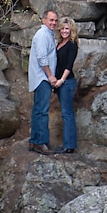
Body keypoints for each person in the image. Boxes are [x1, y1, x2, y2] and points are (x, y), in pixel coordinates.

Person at [28, 9, 58, 155]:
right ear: (44, 20)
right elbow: (42, 58)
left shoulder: (48, 35)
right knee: (42, 111)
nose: (53, 23)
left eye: (55, 20)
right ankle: (40, 142)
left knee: (38, 110)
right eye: (51, 20)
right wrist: (50, 76)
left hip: (42, 77)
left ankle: (34, 140)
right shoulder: (42, 35)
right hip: (42, 78)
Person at [53, 17, 79, 153]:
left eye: (67, 29)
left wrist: (61, 80)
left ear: (72, 30)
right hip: (58, 82)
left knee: (67, 113)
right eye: (62, 28)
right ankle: (68, 144)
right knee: (65, 113)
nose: (64, 31)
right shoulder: (59, 43)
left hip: (67, 82)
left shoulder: (72, 45)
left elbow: (68, 65)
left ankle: (69, 146)